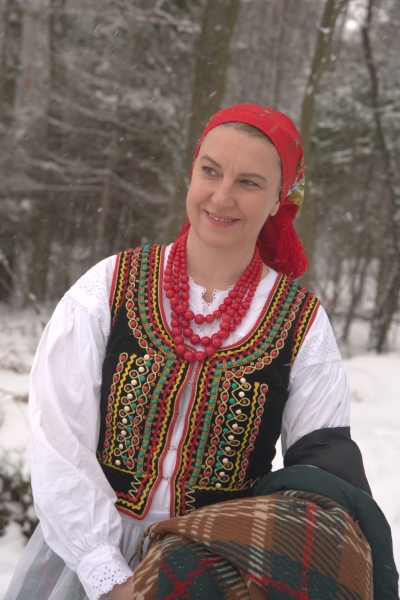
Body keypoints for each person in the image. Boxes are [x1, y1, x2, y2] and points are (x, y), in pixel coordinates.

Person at [4, 104, 398, 600]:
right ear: (192, 173)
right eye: (210, 171)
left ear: (279, 200)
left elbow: (321, 473)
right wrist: (105, 572)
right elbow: (58, 436)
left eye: (249, 182)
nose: (222, 196)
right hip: (83, 562)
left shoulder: (301, 322)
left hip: (214, 573)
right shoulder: (109, 285)